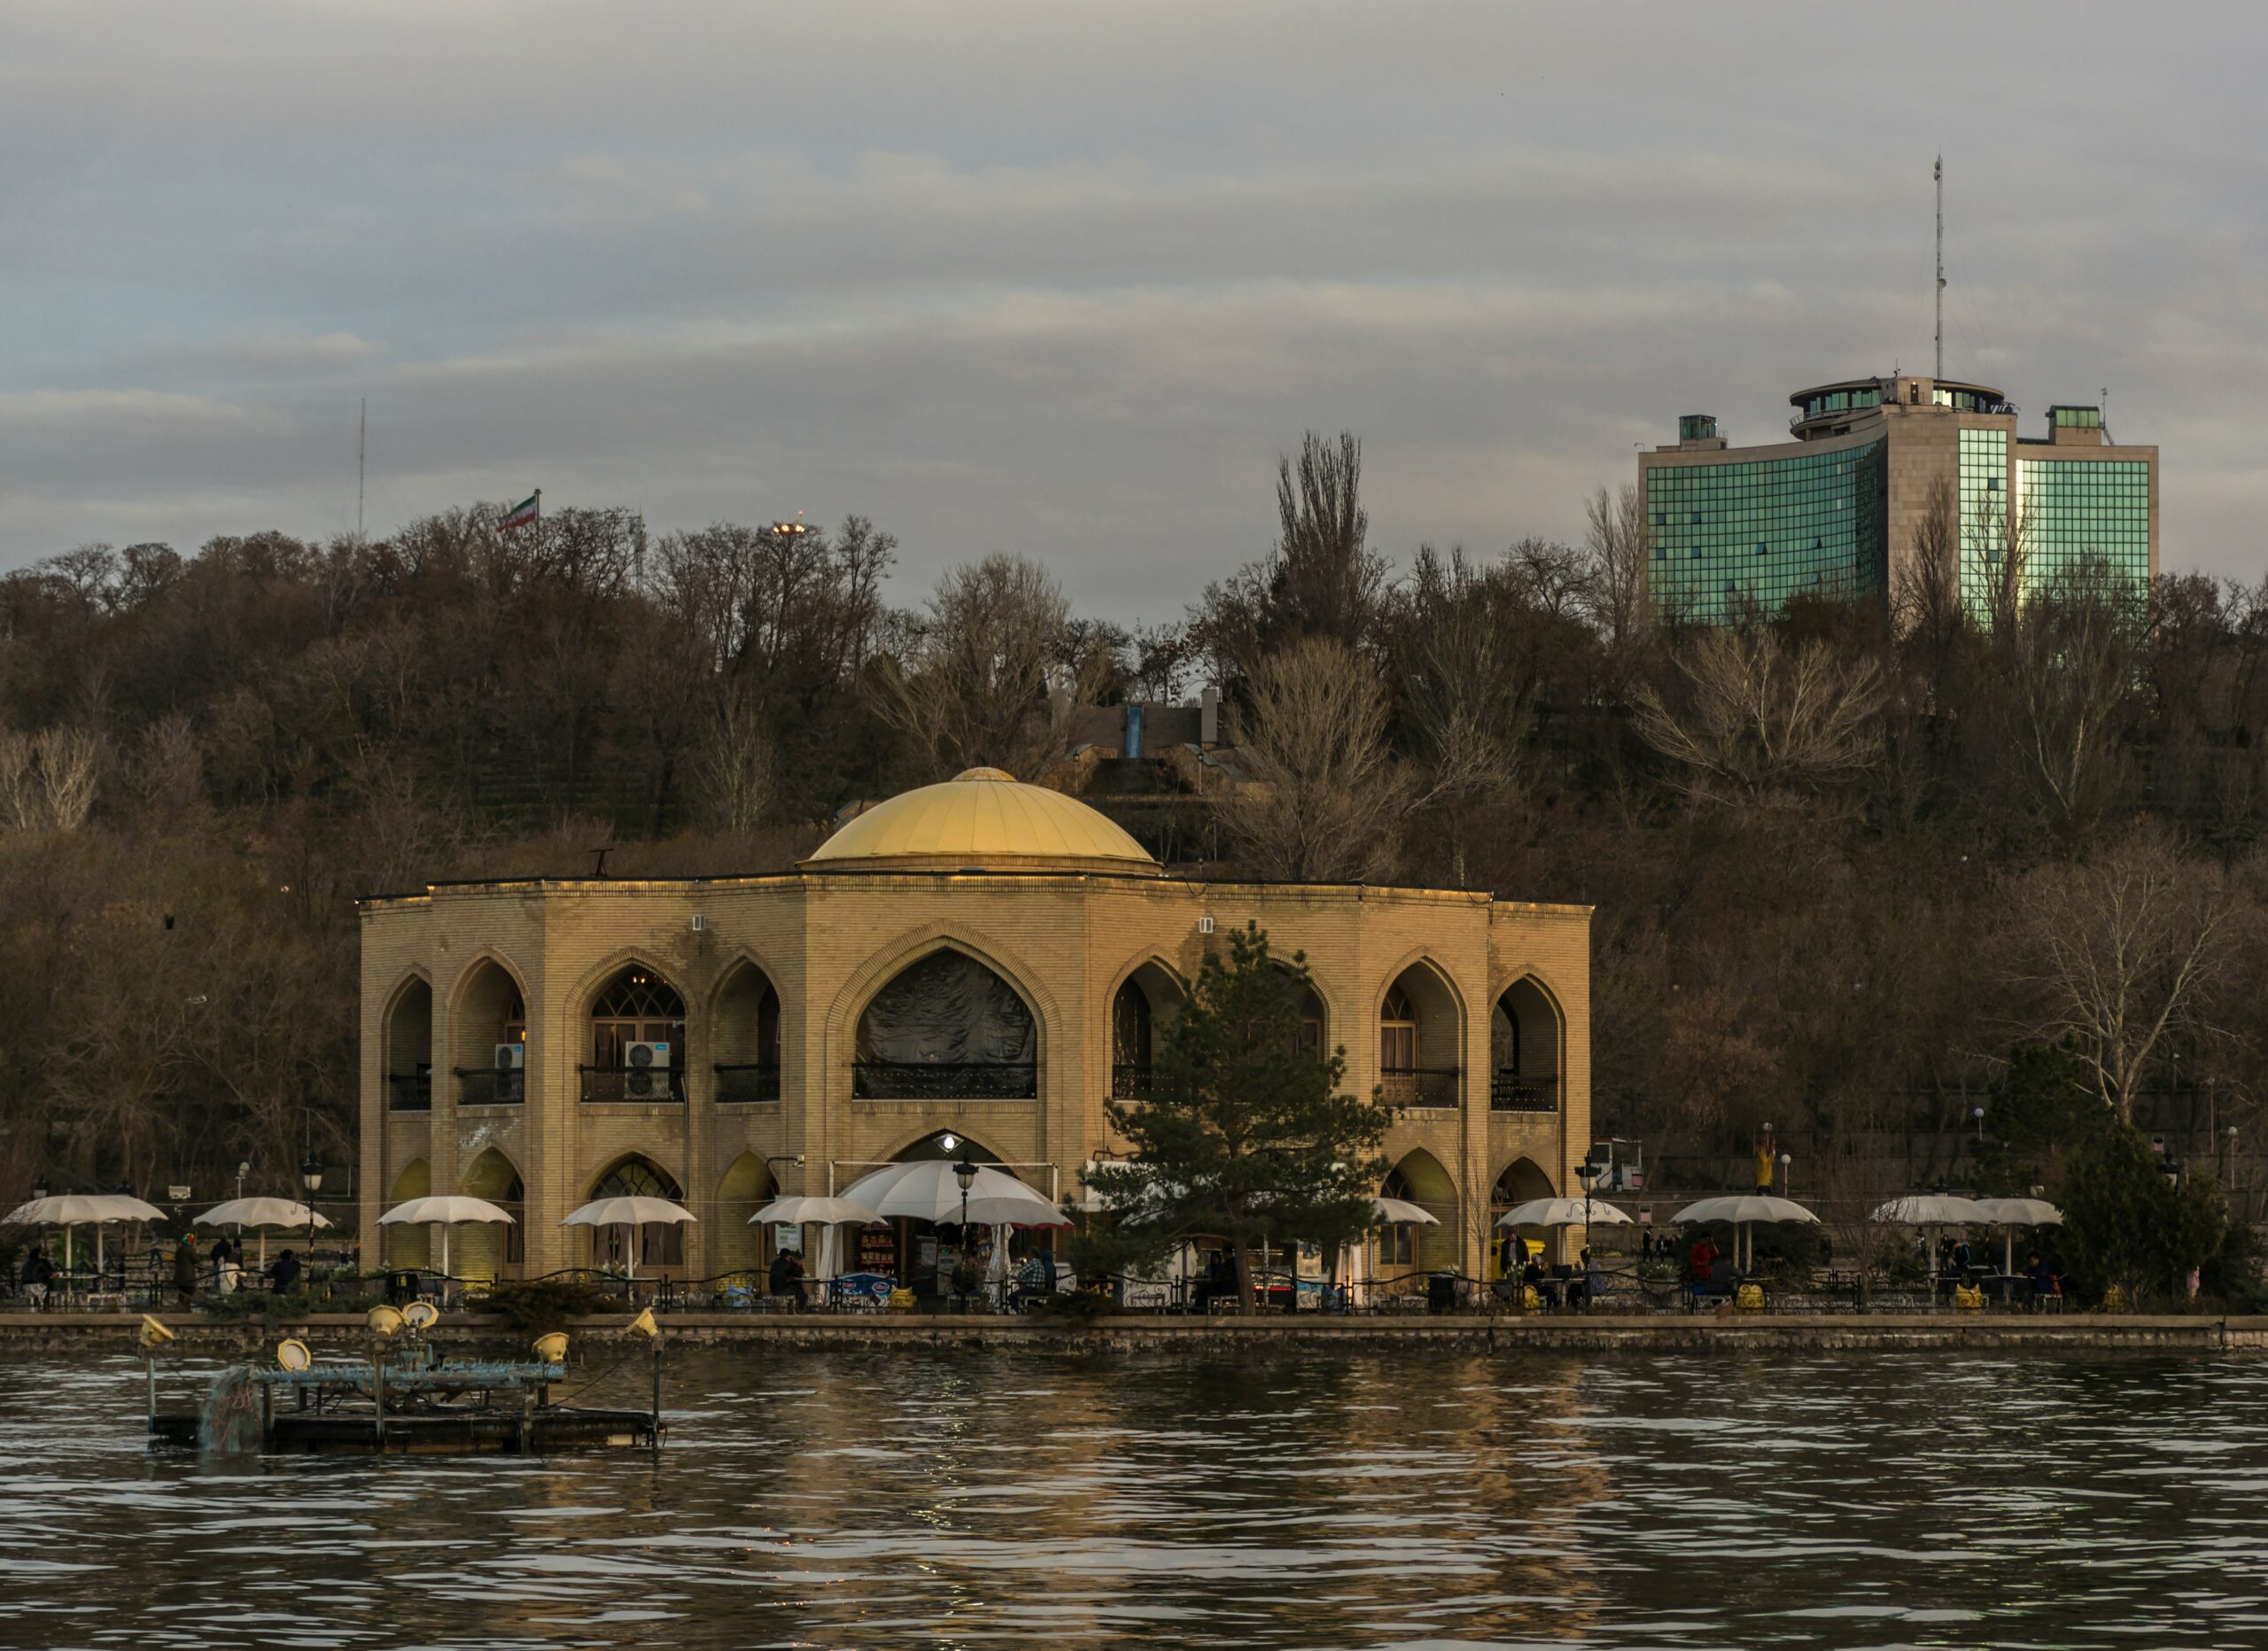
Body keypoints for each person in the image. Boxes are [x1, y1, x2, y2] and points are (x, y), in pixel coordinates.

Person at [18, 1244, 55, 1308]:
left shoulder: (26, 1264)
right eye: (40, 1254)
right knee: (47, 1289)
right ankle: (46, 1307)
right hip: (37, 1286)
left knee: (43, 1289)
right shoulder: (41, 1262)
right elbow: (48, 1273)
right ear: (38, 1255)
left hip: (25, 1287)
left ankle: (36, 1305)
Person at [172, 1233, 198, 1305]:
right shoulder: (190, 1249)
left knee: (182, 1290)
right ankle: (186, 1304)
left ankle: (181, 1304)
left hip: (179, 1274)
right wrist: (196, 1252)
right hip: (188, 1275)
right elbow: (197, 1260)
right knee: (192, 1289)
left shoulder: (179, 1249)